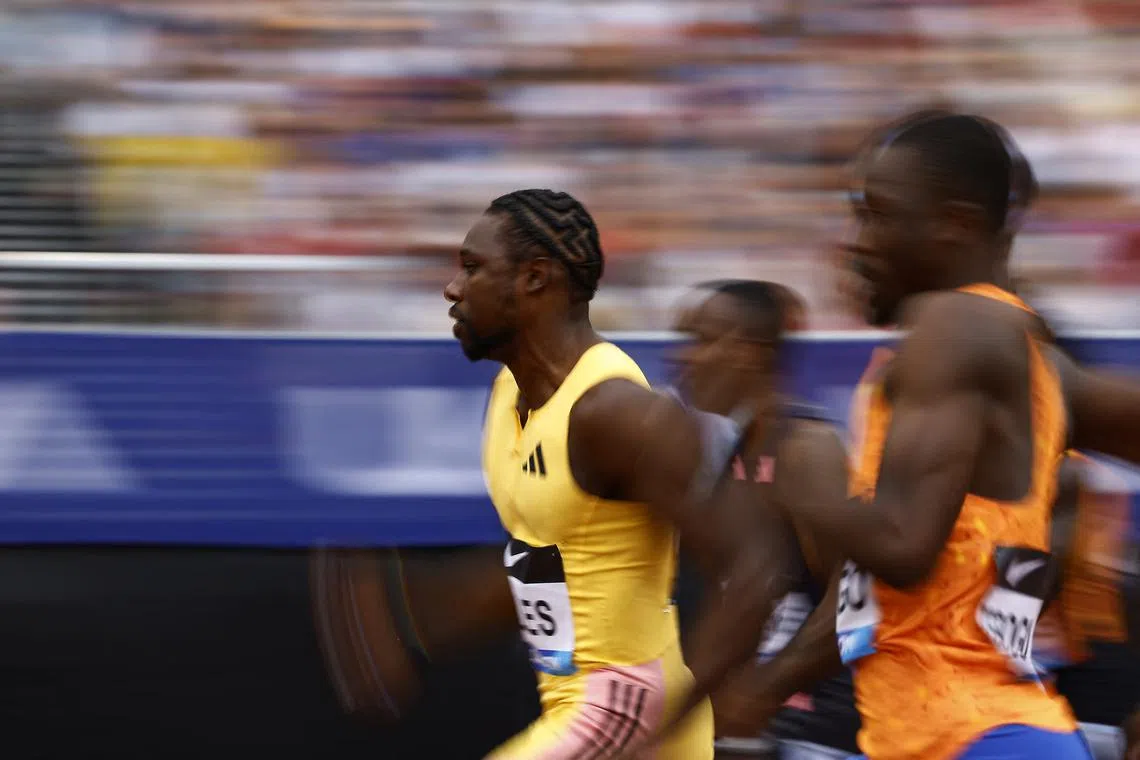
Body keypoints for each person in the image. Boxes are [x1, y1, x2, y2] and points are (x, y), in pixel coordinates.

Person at [709, 108, 1140, 760]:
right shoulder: (1033, 357)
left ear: (956, 224)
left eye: (877, 215)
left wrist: (801, 484)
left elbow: (902, 547)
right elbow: (880, 583)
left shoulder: (956, 326)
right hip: (972, 733)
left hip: (976, 736)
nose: (856, 240)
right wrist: (767, 686)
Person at [443, 189, 809, 759]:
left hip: (628, 710)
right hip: (572, 706)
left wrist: (685, 710)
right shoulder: (508, 393)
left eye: (471, 269)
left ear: (535, 279)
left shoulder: (618, 412)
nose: (453, 288)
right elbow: (554, 554)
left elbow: (757, 567)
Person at [665, 280, 856, 760]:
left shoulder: (806, 450)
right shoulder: (738, 448)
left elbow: (856, 595)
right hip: (760, 730)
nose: (683, 358)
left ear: (748, 353)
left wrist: (764, 689)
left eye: (701, 340)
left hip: (820, 735)